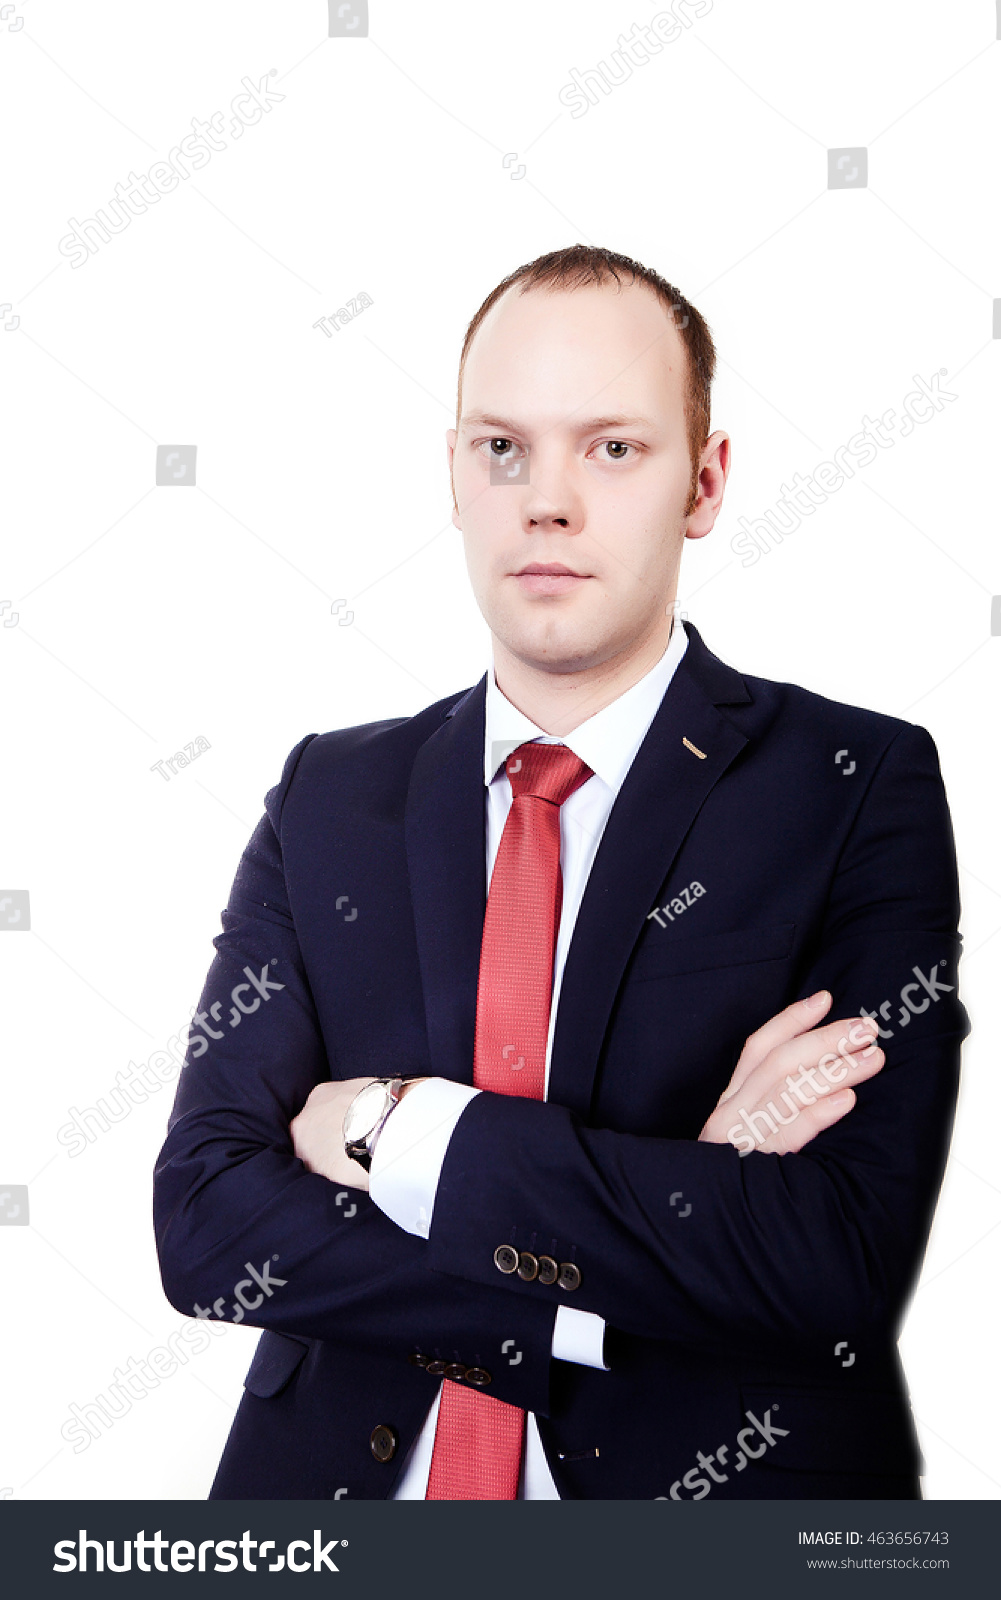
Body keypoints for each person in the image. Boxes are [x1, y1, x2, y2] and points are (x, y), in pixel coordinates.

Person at [153, 245, 968, 1500]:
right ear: (454, 476)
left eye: (612, 449)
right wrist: (653, 1227)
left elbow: (829, 1259)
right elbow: (207, 1222)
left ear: (702, 483)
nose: (545, 500)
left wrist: (394, 1128)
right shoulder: (331, 793)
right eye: (501, 449)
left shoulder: (851, 785)